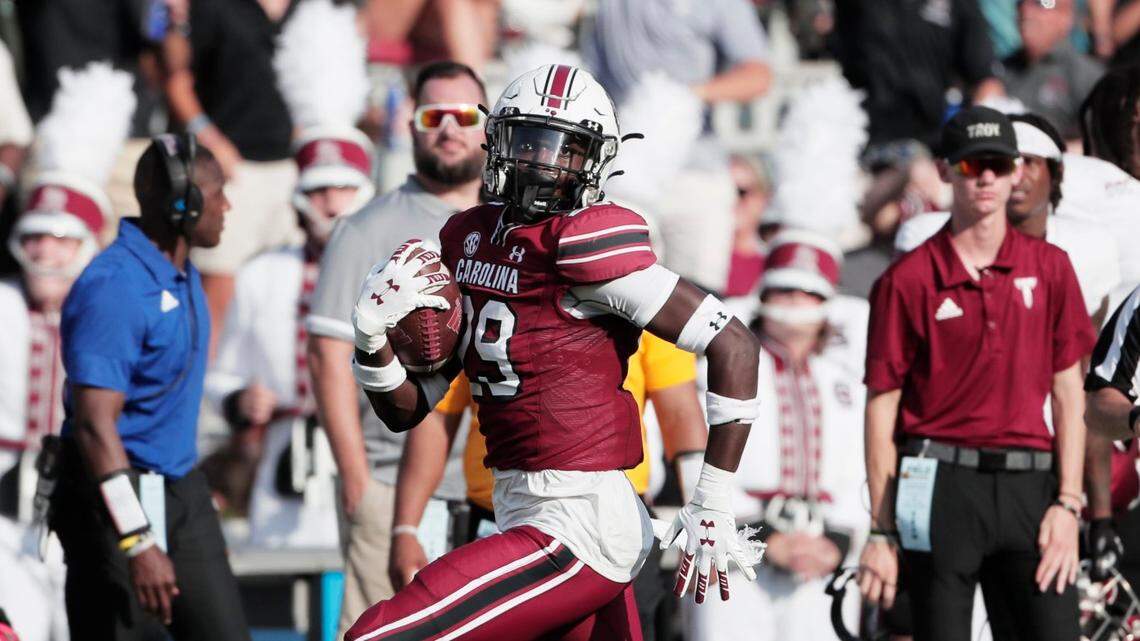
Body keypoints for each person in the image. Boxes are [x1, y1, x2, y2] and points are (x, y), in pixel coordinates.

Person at [344, 63, 764, 641]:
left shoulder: (586, 243)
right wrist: (370, 339)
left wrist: (712, 498)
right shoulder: (468, 237)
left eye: (564, 150)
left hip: (579, 519)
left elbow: (733, 343)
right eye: (531, 143)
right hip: (520, 506)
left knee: (380, 634)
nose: (543, 163)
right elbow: (408, 410)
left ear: (593, 161)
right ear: (499, 142)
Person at [859, 106, 1096, 641]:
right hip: (938, 479)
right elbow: (882, 407)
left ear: (1016, 170)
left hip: (1030, 485)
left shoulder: (1051, 267)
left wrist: (1068, 502)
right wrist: (880, 526)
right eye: (970, 165)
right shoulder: (908, 279)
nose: (985, 177)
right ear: (945, 171)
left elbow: (1069, 391)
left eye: (996, 163)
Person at [305, 60, 486, 638]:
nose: (449, 129)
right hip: (388, 480)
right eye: (434, 115)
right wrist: (356, 478)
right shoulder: (365, 228)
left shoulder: (508, 224)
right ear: (411, 124)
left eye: (465, 115)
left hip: (491, 487)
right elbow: (327, 354)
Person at [49, 135, 250, 641]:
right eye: (217, 192)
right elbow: (95, 428)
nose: (227, 205)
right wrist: (136, 541)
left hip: (180, 487)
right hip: (115, 495)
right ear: (183, 204)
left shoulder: (179, 273)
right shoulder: (114, 287)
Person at [389, 331, 707, 641]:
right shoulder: (485, 287)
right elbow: (438, 415)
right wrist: (405, 528)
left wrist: (702, 513)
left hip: (605, 523)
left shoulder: (628, 289)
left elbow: (680, 412)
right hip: (499, 519)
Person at [203, 0, 373, 544]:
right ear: (298, 197)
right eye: (319, 189)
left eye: (342, 188)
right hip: (283, 473)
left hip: (372, 455)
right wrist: (239, 400)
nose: (330, 202)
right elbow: (220, 377)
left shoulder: (395, 271)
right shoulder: (260, 275)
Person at [685, 229, 867, 641]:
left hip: (824, 553)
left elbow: (863, 466)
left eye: (808, 292)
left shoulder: (846, 379)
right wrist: (761, 533)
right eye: (784, 290)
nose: (795, 302)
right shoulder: (717, 367)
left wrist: (838, 539)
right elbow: (694, 454)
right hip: (730, 552)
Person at [582, 0, 771, 293]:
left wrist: (682, 98)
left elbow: (758, 76)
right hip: (623, 170)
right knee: (617, 287)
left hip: (695, 173)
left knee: (699, 302)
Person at [163, 0, 300, 355]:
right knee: (217, 290)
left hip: (296, 172)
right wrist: (211, 141)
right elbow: (178, 82)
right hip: (236, 170)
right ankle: (196, 393)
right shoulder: (216, 7)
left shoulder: (315, 8)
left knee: (285, 295)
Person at [832, 0, 1004, 151]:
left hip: (930, 141)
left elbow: (985, 80)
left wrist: (979, 144)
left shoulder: (957, 4)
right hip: (861, 139)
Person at [998, 0, 1105, 142]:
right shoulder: (999, 70)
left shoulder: (1086, 76)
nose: (1026, 11)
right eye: (1021, 2)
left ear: (1066, 16)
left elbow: (1102, 141)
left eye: (1042, 3)